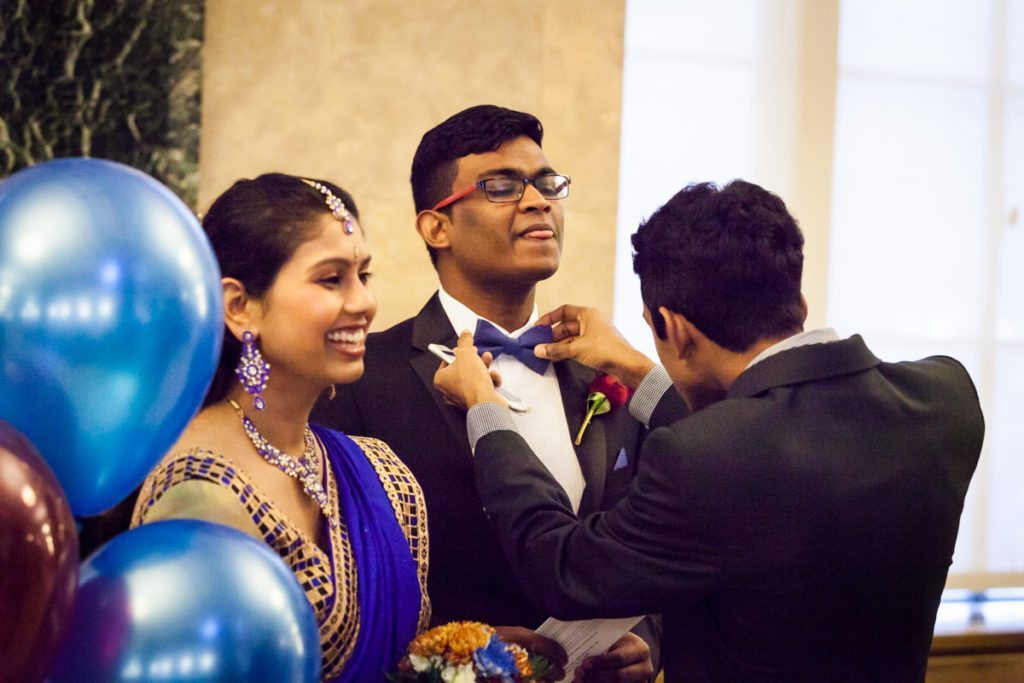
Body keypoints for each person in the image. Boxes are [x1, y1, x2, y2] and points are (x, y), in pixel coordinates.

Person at [434, 180, 985, 681]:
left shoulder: (704, 459)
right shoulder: (946, 399)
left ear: (673, 326)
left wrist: (486, 407)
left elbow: (563, 568)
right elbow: (770, 458)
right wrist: (637, 367)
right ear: (797, 299)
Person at [313, 105, 676, 680]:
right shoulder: (361, 377)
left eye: (547, 184)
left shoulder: (603, 373)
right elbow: (340, 580)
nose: (539, 202)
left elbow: (658, 541)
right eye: (502, 187)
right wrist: (444, 655)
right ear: (437, 227)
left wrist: (645, 639)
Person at [131, 173, 430, 680]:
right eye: (331, 279)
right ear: (240, 307)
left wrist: (471, 655)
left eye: (364, 276)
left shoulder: (379, 472)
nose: (363, 303)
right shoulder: (196, 495)